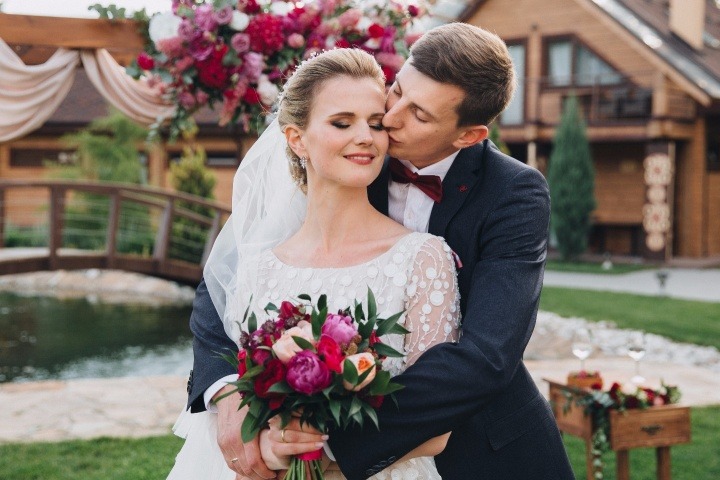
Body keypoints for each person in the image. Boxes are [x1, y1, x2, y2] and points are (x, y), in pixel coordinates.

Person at [188, 23, 575, 480]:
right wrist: (226, 390)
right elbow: (225, 282)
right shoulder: (350, 155)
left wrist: (324, 449)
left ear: (468, 136)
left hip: (484, 449)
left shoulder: (513, 194)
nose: (389, 120)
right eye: (398, 91)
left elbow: (485, 357)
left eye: (420, 115)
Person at [169, 48, 460, 480]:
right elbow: (237, 400)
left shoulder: (423, 259)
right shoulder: (258, 268)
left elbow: (436, 426)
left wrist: (312, 456)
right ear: (296, 138)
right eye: (342, 123)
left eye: (376, 123)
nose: (366, 137)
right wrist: (267, 448)